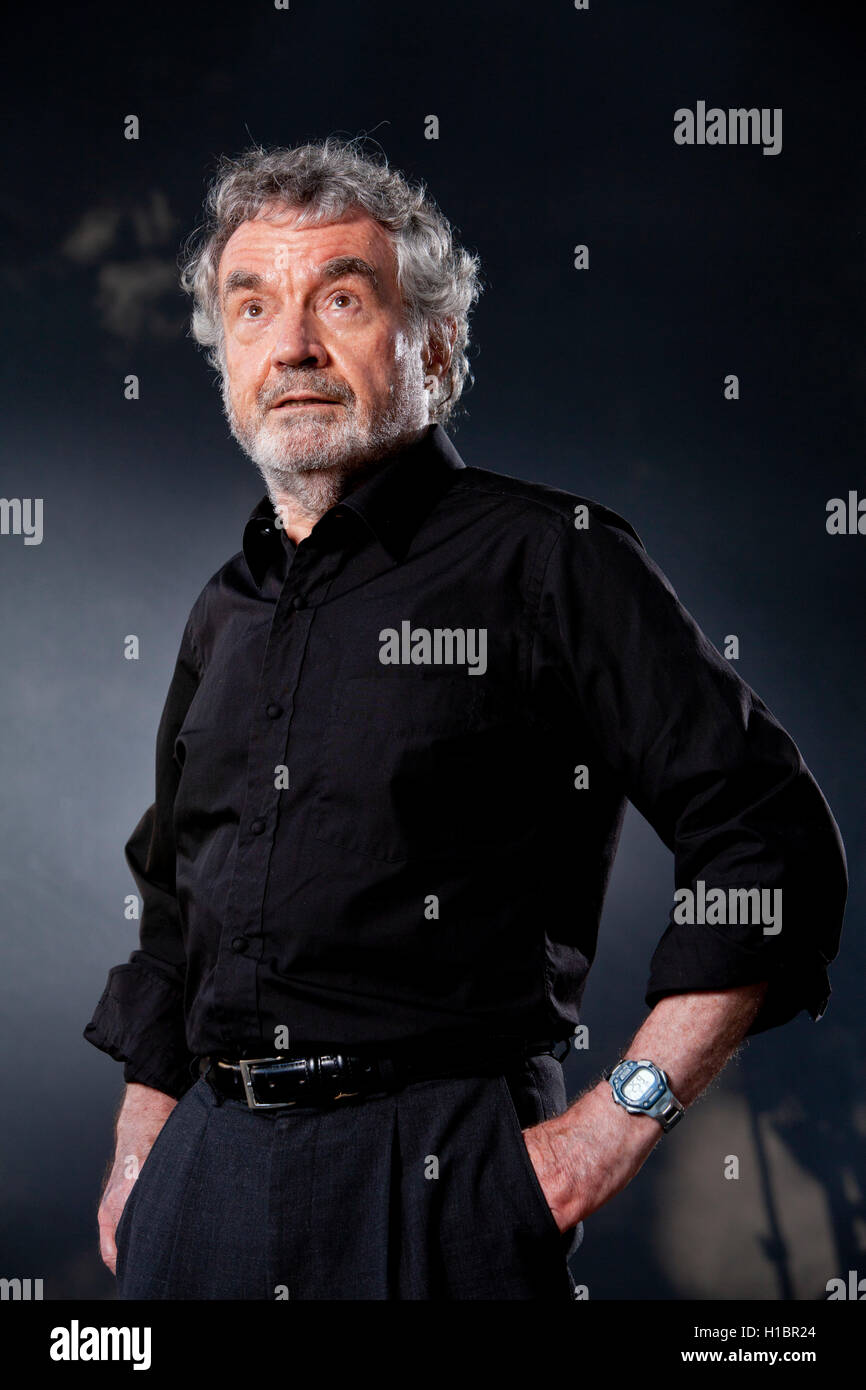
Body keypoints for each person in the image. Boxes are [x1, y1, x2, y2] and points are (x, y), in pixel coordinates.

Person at [84, 136, 847, 1301]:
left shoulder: (550, 561)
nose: (289, 343)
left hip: (436, 1181)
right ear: (225, 353)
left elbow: (765, 838)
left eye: (340, 297)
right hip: (202, 1181)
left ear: (433, 346)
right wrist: (145, 1155)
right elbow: (173, 915)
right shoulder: (223, 609)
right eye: (251, 306)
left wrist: (610, 1127)